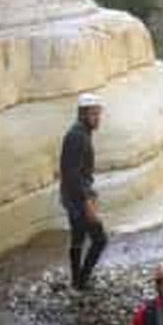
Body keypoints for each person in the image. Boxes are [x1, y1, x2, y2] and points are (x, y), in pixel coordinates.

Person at [59, 92, 108, 290]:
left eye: (98, 113)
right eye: (93, 114)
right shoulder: (77, 136)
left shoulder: (81, 132)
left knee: (78, 236)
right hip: (77, 198)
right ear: (82, 114)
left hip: (73, 196)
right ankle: (82, 280)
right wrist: (87, 202)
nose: (97, 118)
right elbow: (72, 175)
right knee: (100, 239)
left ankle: (76, 280)